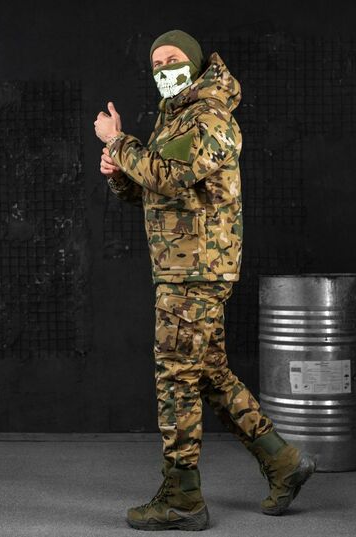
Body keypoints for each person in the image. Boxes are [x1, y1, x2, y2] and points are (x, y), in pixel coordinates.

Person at [94, 28, 316, 532]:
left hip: (196, 269)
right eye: (156, 64)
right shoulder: (175, 117)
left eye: (172, 59)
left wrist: (118, 142)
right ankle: (283, 461)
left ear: (194, 64)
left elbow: (170, 176)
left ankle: (182, 499)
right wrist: (118, 171)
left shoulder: (210, 116)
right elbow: (154, 189)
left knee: (175, 376)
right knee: (209, 373)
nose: (163, 70)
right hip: (182, 266)